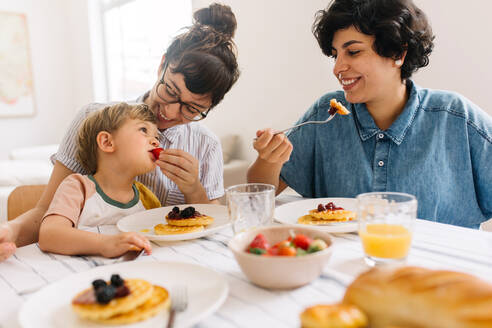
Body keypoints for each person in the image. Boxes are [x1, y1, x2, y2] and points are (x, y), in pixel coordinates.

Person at [0, 3, 240, 260]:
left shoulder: (206, 145)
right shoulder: (93, 120)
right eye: (170, 90)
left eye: (191, 109)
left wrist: (193, 188)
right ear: (161, 66)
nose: (170, 113)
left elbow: (211, 224)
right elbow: (46, 214)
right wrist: (11, 229)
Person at [248, 0, 492, 229]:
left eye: (353, 52)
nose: (337, 68)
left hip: (443, 271)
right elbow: (256, 197)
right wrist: (269, 159)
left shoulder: (456, 118)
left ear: (398, 53)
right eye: (335, 55)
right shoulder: (326, 113)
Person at [38, 103, 159, 257]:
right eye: (143, 130)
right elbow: (49, 235)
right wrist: (106, 244)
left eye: (156, 137)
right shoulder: (78, 187)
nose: (156, 142)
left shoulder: (147, 197)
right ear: (107, 142)